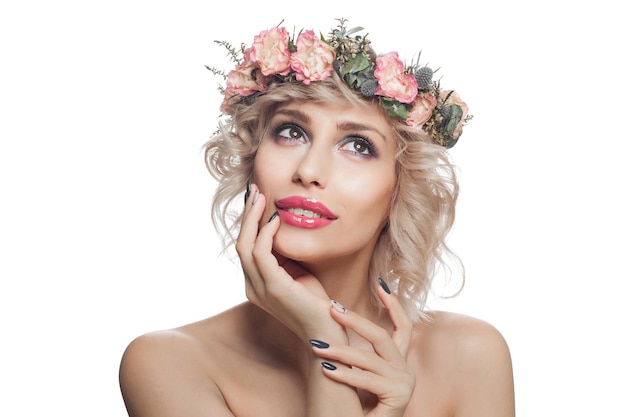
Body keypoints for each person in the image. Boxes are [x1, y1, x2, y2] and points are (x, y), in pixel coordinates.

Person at [119, 18, 515, 417]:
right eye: (291, 132)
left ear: (399, 191)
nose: (309, 170)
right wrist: (324, 338)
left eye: (358, 145)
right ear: (252, 160)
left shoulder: (470, 356)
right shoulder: (169, 363)